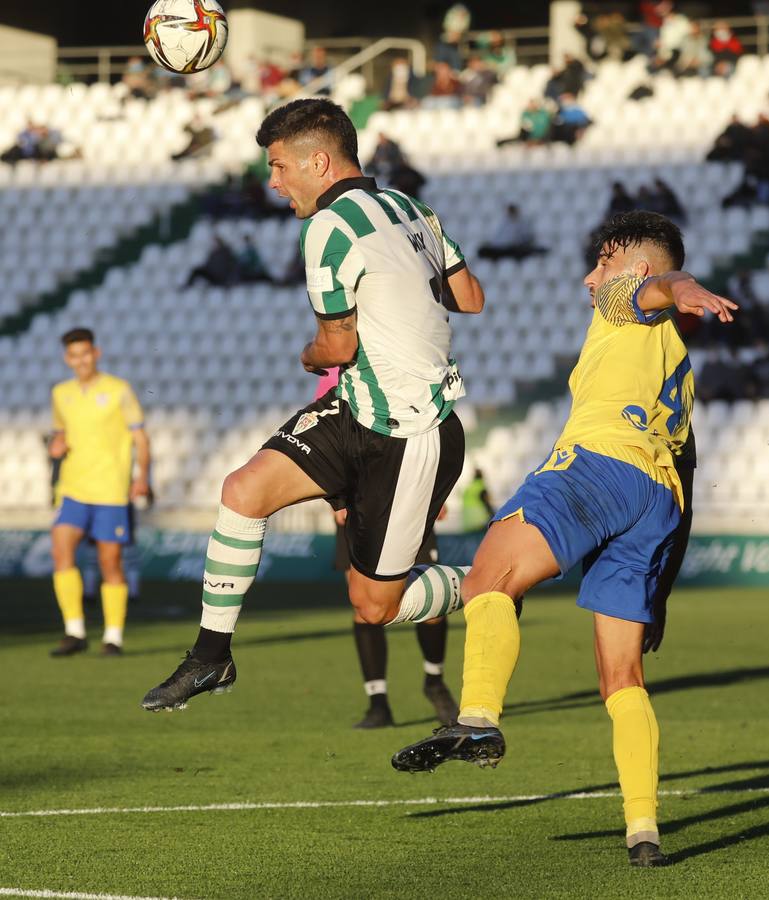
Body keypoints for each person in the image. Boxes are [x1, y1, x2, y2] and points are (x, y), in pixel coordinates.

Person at [391, 211, 737, 869]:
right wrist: (659, 587)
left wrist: (679, 285)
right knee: (621, 677)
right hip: (658, 501)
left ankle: (478, 716)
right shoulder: (677, 365)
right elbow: (685, 469)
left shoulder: (623, 303)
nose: (588, 279)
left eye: (600, 263)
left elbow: (654, 288)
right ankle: (642, 830)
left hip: (596, 466)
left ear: (630, 268)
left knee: (488, 578)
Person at [141, 98, 485, 712]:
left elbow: (335, 346)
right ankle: (211, 656)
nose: (274, 183)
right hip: (356, 409)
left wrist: (308, 354)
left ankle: (498, 579)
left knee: (373, 606)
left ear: (319, 162)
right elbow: (470, 296)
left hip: (410, 432)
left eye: (278, 167)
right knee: (243, 490)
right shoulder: (413, 209)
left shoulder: (325, 228)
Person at [49, 328, 151, 656]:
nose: (81, 360)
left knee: (110, 563)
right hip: (73, 487)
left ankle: (113, 636)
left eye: (85, 353)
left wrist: (142, 477)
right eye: (74, 355)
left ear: (96, 353)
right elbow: (61, 432)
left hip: (110, 490)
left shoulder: (118, 390)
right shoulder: (60, 393)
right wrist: (57, 443)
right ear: (68, 359)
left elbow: (140, 438)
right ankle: (75, 631)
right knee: (61, 550)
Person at [478, 204, 547, 261]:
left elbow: (526, 237)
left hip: (512, 247)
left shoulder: (522, 223)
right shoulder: (503, 223)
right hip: (501, 248)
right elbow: (496, 239)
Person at [461, 467, 495, 532]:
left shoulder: (468, 489)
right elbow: (487, 505)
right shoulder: (481, 488)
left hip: (467, 524)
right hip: (480, 524)